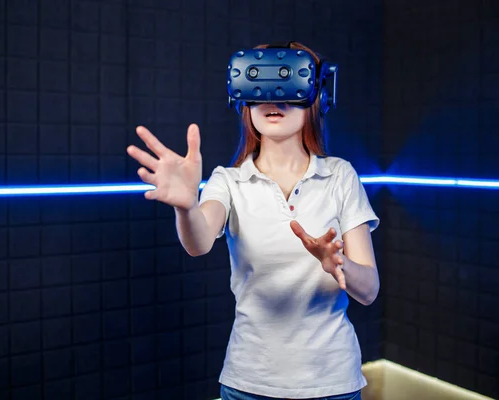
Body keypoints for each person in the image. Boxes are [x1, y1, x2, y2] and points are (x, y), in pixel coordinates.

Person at [127, 42, 380, 400]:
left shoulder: (340, 177)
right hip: (248, 383)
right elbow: (198, 243)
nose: (272, 98)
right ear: (242, 98)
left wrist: (337, 265)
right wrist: (186, 206)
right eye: (256, 85)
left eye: (288, 82)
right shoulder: (228, 181)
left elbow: (369, 290)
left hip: (332, 383)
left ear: (318, 96)